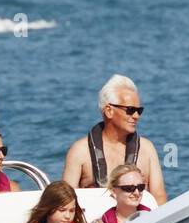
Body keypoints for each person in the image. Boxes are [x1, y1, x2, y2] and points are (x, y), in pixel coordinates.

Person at [61, 73, 167, 204]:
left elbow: (159, 197)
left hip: (138, 222)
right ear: (109, 110)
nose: (136, 116)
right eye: (130, 110)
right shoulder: (79, 151)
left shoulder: (147, 149)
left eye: (139, 110)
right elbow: (64, 203)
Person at [85, 164, 152, 223]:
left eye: (140, 187)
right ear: (113, 191)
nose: (137, 193)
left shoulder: (153, 216)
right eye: (129, 188)